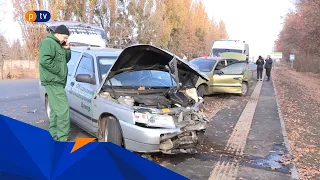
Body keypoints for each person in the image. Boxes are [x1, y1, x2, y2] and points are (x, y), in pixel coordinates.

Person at [39, 25, 71, 141]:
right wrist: (59, 71)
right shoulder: (48, 43)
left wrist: (67, 49)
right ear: (57, 34)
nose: (66, 40)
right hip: (53, 81)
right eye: (65, 37)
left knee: (55, 111)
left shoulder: (59, 45)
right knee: (63, 111)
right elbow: (44, 61)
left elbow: (66, 60)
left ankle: (53, 135)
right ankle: (63, 139)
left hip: (57, 82)